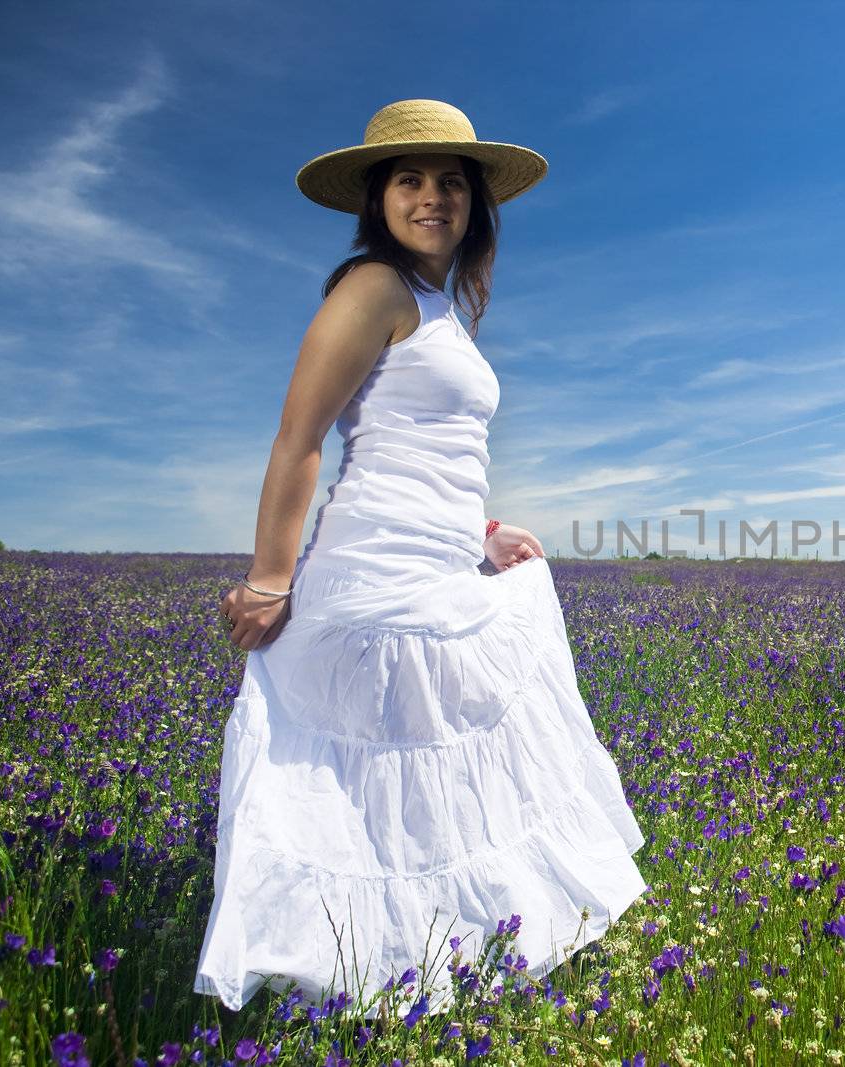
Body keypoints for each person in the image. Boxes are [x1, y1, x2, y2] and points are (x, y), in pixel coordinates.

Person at [193, 99, 648, 1019]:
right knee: (386, 779)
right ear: (378, 198)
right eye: (410, 179)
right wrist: (270, 578)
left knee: (415, 791)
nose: (432, 197)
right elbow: (300, 440)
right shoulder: (370, 287)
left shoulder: (439, 306)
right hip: (372, 581)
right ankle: (360, 982)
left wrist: (481, 535)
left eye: (450, 182)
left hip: (435, 570)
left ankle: (411, 977)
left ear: (477, 203)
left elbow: (422, 449)